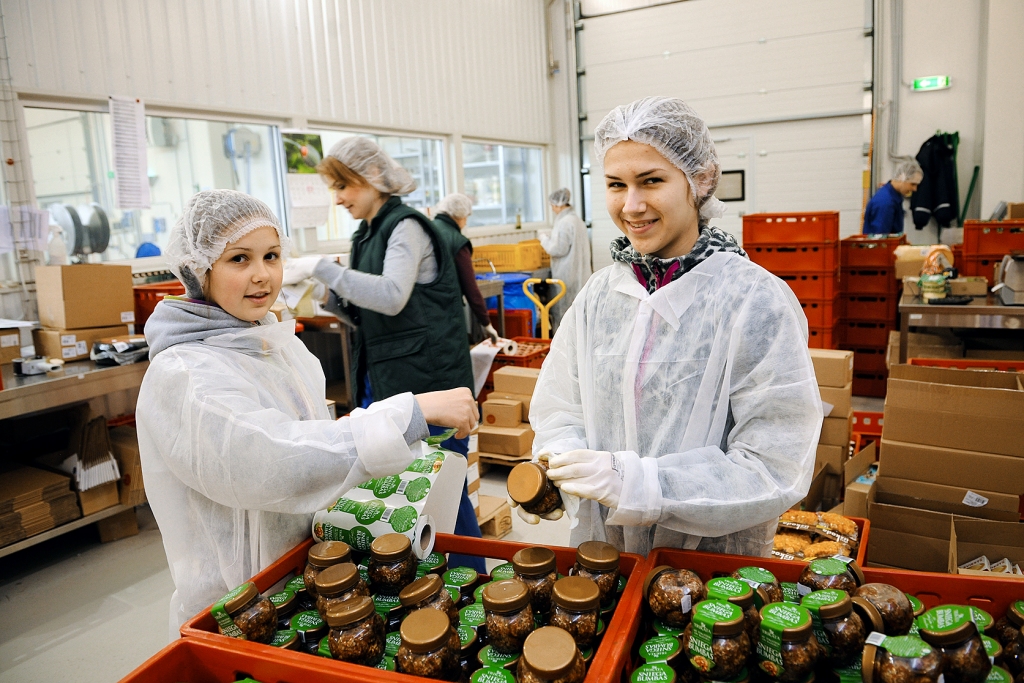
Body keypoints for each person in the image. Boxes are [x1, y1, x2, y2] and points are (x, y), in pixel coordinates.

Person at [137, 190, 478, 633]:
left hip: (305, 571)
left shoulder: (274, 343)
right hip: (240, 600)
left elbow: (311, 438)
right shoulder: (186, 373)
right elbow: (270, 460)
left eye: (272, 256)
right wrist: (405, 414)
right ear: (198, 269)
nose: (262, 276)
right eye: (239, 259)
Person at [522, 97, 822, 559]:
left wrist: (642, 484)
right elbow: (561, 406)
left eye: (652, 181)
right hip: (604, 557)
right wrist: (562, 466)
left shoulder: (753, 300)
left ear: (700, 180)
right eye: (615, 185)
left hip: (715, 575)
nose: (632, 205)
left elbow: (774, 464)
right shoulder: (600, 296)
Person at [283, 138, 485, 572]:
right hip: (388, 376)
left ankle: (476, 582)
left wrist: (323, 267)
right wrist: (325, 292)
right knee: (408, 491)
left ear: (372, 177)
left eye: (343, 186)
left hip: (430, 378)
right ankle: (431, 584)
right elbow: (369, 308)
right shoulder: (366, 233)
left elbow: (392, 296)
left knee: (443, 490)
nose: (338, 198)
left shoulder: (405, 228)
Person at [433, 192, 500, 344]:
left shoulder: (429, 229)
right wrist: (486, 323)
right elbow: (471, 288)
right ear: (460, 216)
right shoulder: (457, 241)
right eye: (466, 217)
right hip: (447, 313)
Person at [539, 188, 592, 333]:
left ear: (557, 205)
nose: (552, 210)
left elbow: (557, 249)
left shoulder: (564, 223)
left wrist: (544, 239)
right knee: (578, 319)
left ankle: (563, 354)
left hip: (567, 278)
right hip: (579, 276)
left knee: (565, 317)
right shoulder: (576, 220)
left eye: (552, 206)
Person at [862, 158, 923, 235]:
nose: (915, 189)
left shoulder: (894, 197)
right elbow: (880, 239)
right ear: (902, 178)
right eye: (913, 184)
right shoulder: (885, 202)